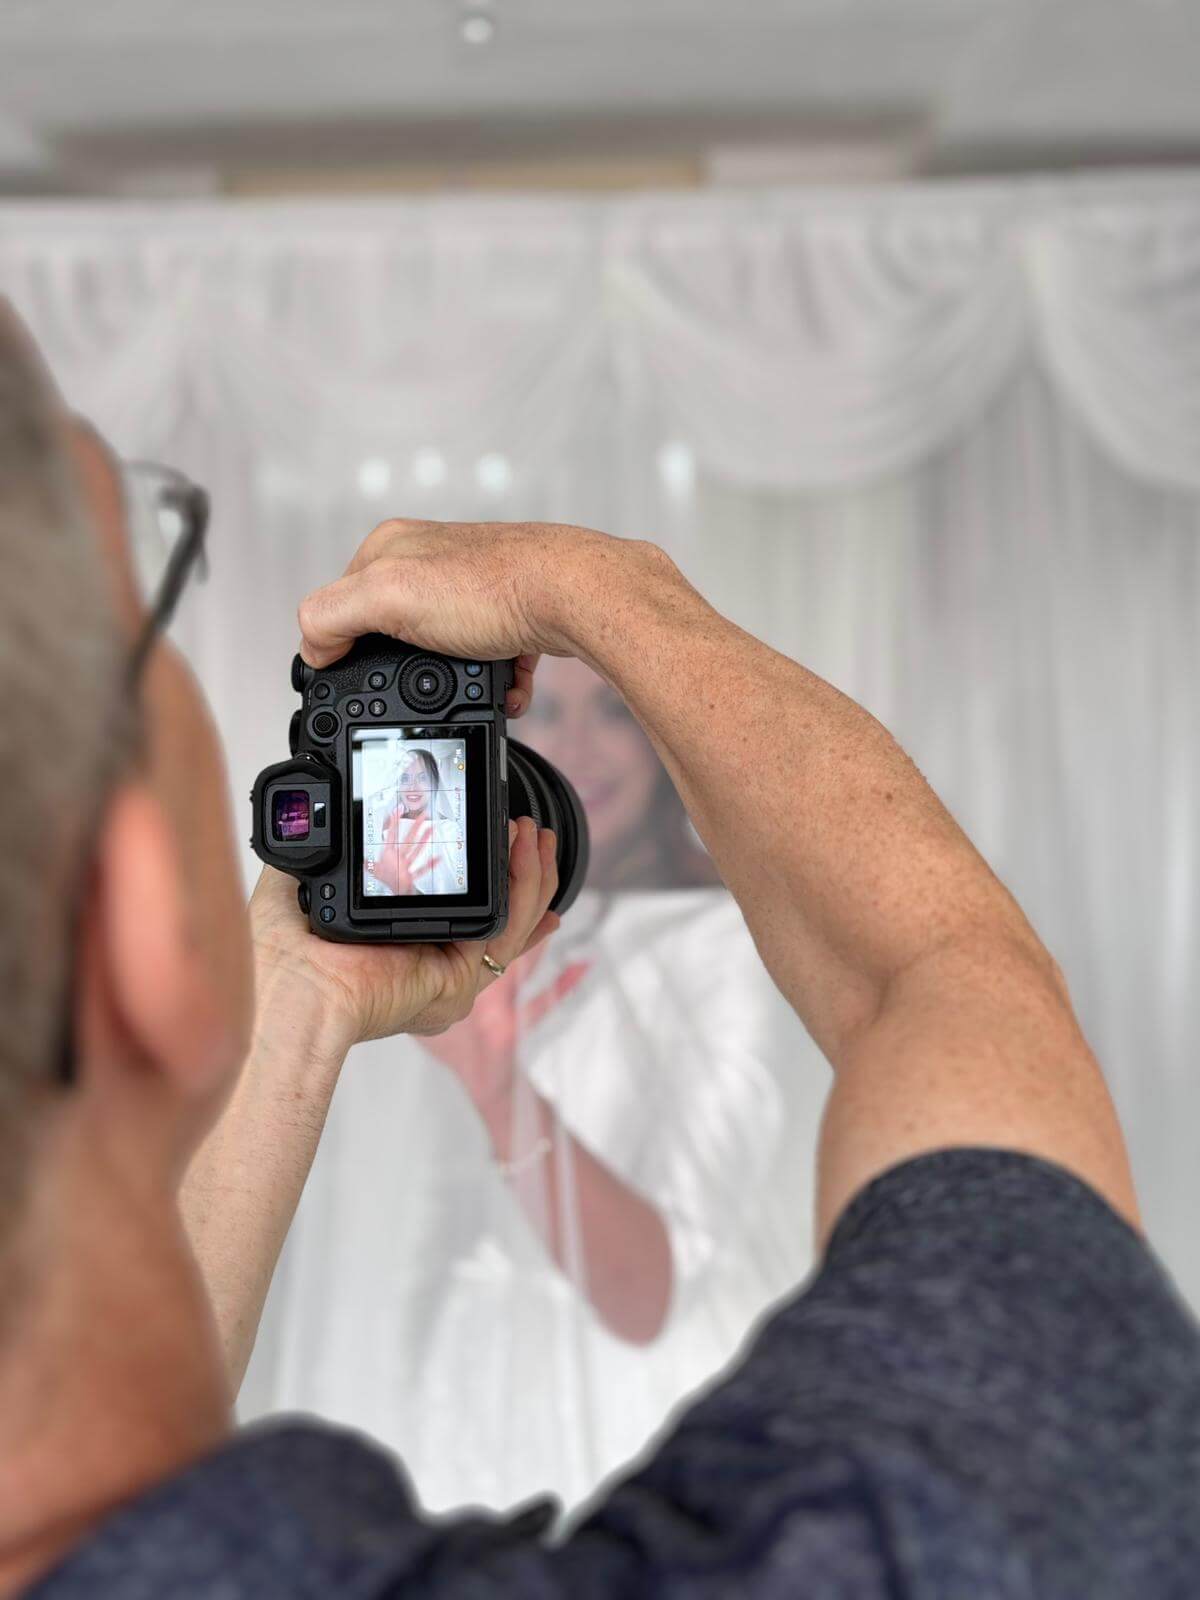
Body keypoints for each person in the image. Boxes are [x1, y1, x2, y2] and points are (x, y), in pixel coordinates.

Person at [3, 295, 1199, 1596]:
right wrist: (613, 590)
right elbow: (958, 999)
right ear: (141, 921)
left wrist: (301, 993)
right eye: (151, 575)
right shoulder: (860, 1552)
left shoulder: (699, 966)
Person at [365, 746, 465, 896]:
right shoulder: (386, 828)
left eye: (422, 778)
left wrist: (407, 890)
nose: (412, 787)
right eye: (405, 778)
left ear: (434, 782)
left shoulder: (450, 830)